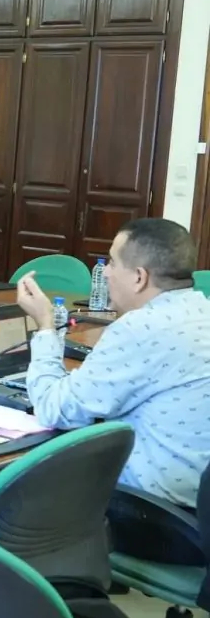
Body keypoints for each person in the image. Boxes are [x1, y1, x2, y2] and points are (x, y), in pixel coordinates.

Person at [17, 217, 210, 509]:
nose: (105, 272)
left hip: (151, 513)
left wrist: (45, 325)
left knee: (24, 492)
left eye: (112, 262)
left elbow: (53, 409)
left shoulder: (142, 328)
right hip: (196, 504)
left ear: (139, 277)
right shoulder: (202, 311)